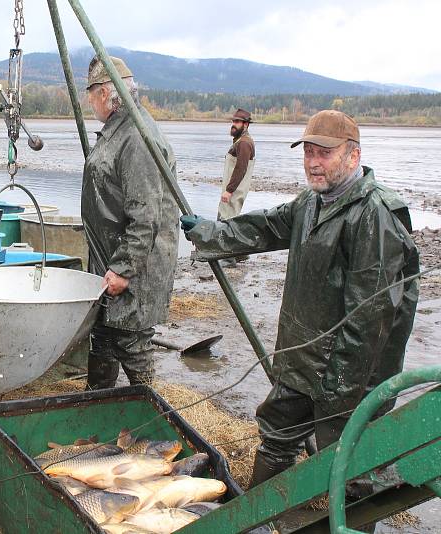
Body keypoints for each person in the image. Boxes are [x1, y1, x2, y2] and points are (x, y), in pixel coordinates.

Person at [181, 110, 419, 487]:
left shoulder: (374, 216)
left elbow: (368, 320)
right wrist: (210, 232)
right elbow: (263, 226)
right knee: (275, 438)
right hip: (300, 360)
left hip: (350, 377)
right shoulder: (310, 203)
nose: (313, 163)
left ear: (353, 156)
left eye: (324, 153)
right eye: (308, 152)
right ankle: (261, 521)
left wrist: (337, 392)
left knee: (353, 469)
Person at [81, 56, 179, 390]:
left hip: (135, 267)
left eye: (91, 93)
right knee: (105, 336)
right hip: (112, 259)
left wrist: (123, 269)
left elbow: (145, 215)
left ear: (106, 93)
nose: (88, 100)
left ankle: (151, 412)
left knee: (132, 342)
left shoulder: (135, 136)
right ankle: (96, 404)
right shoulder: (118, 129)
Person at [217, 108, 256, 267]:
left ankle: (228, 259)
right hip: (235, 189)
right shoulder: (241, 141)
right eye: (233, 121)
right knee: (231, 220)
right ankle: (241, 254)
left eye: (237, 122)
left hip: (235, 190)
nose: (233, 125)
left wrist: (229, 190)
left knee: (226, 221)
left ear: (246, 125)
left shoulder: (245, 143)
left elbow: (241, 168)